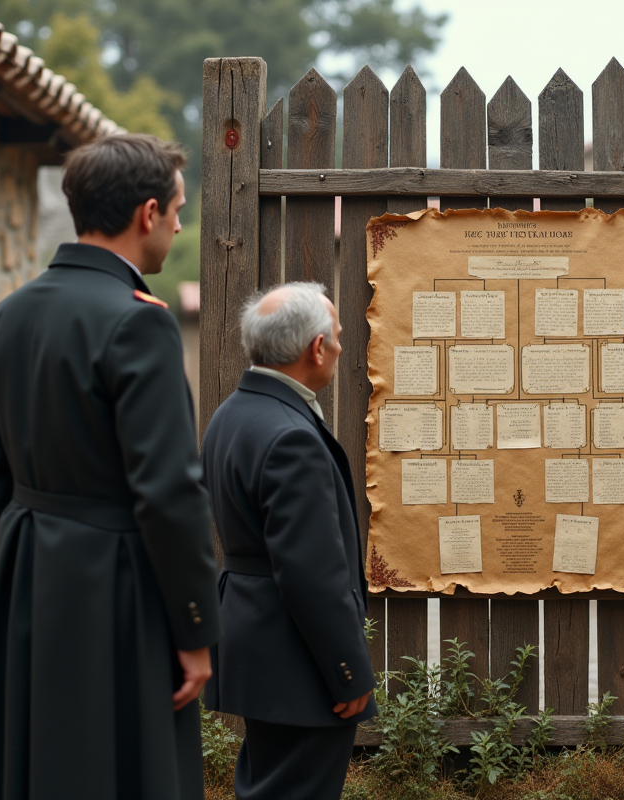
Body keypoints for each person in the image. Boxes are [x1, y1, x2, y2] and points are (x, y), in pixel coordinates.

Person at [0, 134, 221, 799]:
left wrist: (25, 562)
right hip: (120, 591)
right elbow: (168, 490)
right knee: (119, 769)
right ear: (146, 213)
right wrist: (194, 629)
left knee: (35, 766)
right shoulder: (140, 324)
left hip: (27, 574)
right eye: (177, 210)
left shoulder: (5, 317)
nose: (177, 225)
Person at [202, 283, 376, 800]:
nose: (342, 347)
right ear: (315, 349)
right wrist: (347, 671)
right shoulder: (291, 436)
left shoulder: (230, 415)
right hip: (297, 659)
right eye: (338, 336)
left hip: (257, 643)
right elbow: (312, 575)